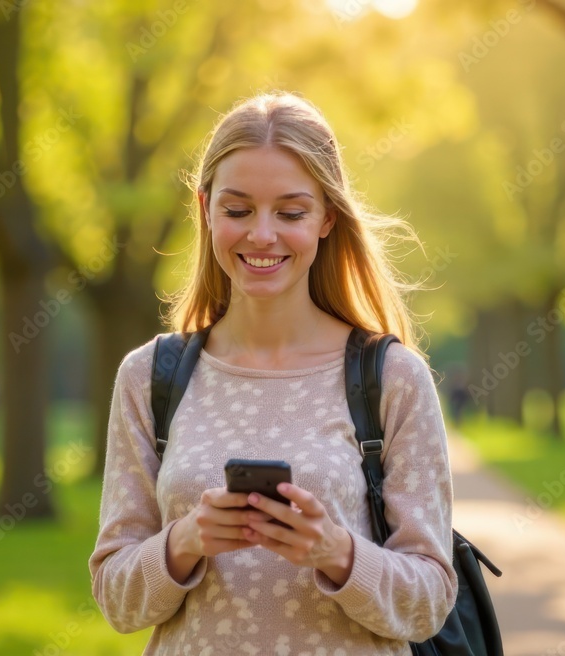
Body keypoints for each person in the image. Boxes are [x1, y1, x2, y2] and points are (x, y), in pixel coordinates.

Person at [89, 92, 456, 655]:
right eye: (237, 210)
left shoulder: (394, 379)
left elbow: (430, 601)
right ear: (205, 208)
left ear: (327, 218)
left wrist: (335, 551)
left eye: (290, 213)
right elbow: (116, 601)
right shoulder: (149, 377)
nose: (262, 235)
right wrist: (186, 540)